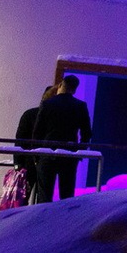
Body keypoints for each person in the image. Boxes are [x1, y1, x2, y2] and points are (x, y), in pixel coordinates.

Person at [30, 75, 92, 204]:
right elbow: (86, 133)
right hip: (68, 153)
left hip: (47, 152)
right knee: (67, 195)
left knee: (44, 195)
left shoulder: (47, 104)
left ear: (60, 85)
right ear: (74, 89)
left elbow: (37, 131)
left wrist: (36, 156)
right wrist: (79, 152)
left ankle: (44, 217)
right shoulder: (80, 106)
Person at [14, 83, 56, 179]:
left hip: (29, 158)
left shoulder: (29, 114)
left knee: (27, 186)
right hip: (45, 160)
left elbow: (20, 140)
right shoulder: (55, 118)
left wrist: (17, 163)